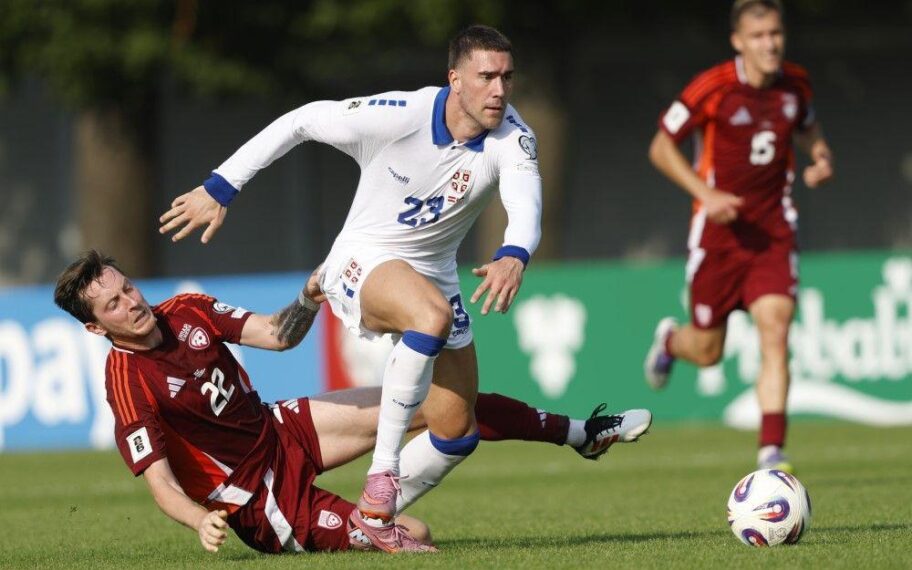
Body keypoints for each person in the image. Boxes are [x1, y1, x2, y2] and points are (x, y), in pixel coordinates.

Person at [159, 25, 546, 539]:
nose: (499, 90)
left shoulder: (513, 137)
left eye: (507, 77)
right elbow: (300, 121)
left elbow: (525, 202)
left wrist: (514, 254)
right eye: (486, 77)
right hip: (358, 260)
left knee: (456, 430)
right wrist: (221, 186)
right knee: (428, 316)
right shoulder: (399, 115)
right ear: (454, 79)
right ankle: (382, 475)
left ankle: (368, 522)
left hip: (435, 275)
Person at [53, 251, 653, 554]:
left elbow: (277, 336)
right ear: (96, 327)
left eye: (127, 287)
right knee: (415, 535)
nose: (132, 303)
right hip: (261, 502)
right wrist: (198, 520)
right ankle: (377, 513)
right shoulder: (126, 382)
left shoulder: (186, 310)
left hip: (279, 429)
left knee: (440, 400)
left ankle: (581, 433)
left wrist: (309, 296)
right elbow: (159, 482)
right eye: (113, 305)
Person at [644, 0, 833, 473]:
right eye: (758, 36)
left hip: (773, 231)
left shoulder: (795, 84)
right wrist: (705, 194)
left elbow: (808, 128)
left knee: (776, 329)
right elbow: (661, 147)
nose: (770, 44)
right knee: (708, 352)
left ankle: (772, 452)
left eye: (775, 34)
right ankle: (670, 341)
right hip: (719, 237)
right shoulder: (714, 87)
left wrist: (821, 156)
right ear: (738, 42)